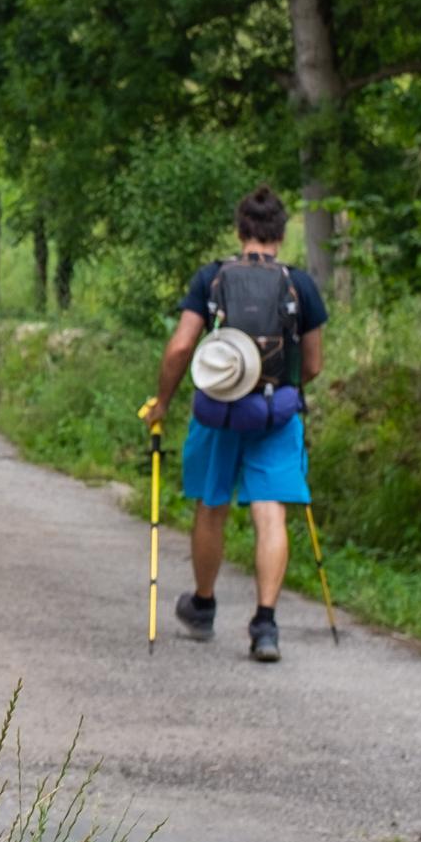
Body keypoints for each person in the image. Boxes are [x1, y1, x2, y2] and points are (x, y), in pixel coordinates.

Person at [143, 186, 328, 663]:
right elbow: (312, 365)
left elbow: (182, 347)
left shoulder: (212, 278)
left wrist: (163, 401)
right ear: (281, 234)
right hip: (276, 414)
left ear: (240, 229)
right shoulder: (300, 284)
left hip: (219, 410)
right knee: (270, 514)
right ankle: (265, 624)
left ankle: (203, 606)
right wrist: (281, 389)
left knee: (212, 506)